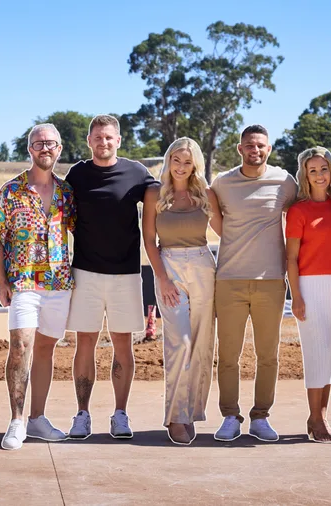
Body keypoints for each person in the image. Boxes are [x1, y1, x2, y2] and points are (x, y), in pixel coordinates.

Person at [64, 114, 159, 440]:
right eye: (98, 137)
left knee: (123, 343)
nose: (103, 142)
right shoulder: (77, 174)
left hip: (126, 275)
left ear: (118, 140)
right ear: (89, 141)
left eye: (109, 137)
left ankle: (120, 414)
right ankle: (82, 414)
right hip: (85, 273)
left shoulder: (137, 173)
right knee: (85, 342)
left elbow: (165, 195)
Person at [210, 124, 297, 442]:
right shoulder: (222, 183)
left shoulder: (285, 182)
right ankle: (230, 416)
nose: (255, 150)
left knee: (268, 355)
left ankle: (261, 417)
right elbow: (215, 220)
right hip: (229, 280)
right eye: (249, 145)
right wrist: (239, 239)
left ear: (268, 149)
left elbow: (299, 215)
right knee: (228, 355)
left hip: (271, 281)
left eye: (260, 145)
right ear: (240, 148)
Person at [0, 123, 75, 450]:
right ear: (30, 149)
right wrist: (1, 281)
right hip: (23, 281)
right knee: (21, 345)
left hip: (58, 282)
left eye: (51, 143)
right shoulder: (11, 191)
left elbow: (81, 230)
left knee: (45, 349)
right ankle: (17, 420)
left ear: (59, 148)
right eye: (38, 143)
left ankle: (38, 419)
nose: (45, 148)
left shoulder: (67, 192)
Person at [141, 138, 219, 445]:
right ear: (168, 160)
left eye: (187, 162)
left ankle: (191, 413)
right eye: (176, 160)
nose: (181, 167)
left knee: (201, 344)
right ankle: (175, 416)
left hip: (203, 266)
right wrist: (162, 278)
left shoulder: (206, 194)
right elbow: (149, 240)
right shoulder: (154, 193)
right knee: (180, 343)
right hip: (169, 266)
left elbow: (227, 231)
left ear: (195, 164)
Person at [285, 146, 331, 444]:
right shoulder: (298, 211)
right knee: (315, 352)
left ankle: (320, 415)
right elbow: (291, 258)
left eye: (324, 169)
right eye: (313, 171)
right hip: (310, 287)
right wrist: (296, 296)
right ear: (305, 176)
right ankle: (316, 417)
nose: (320, 175)